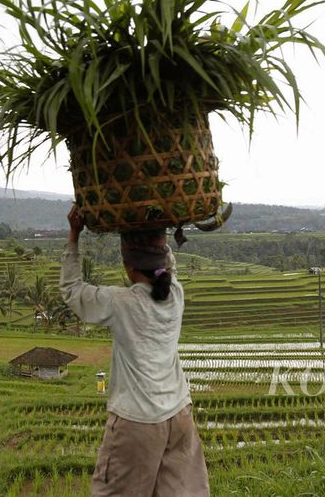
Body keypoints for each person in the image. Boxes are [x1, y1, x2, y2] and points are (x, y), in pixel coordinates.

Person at [60, 205, 210, 497]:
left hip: (139, 421)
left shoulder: (121, 302)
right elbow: (169, 265)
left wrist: (74, 235)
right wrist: (163, 229)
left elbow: (71, 290)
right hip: (179, 414)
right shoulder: (175, 294)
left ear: (128, 266)